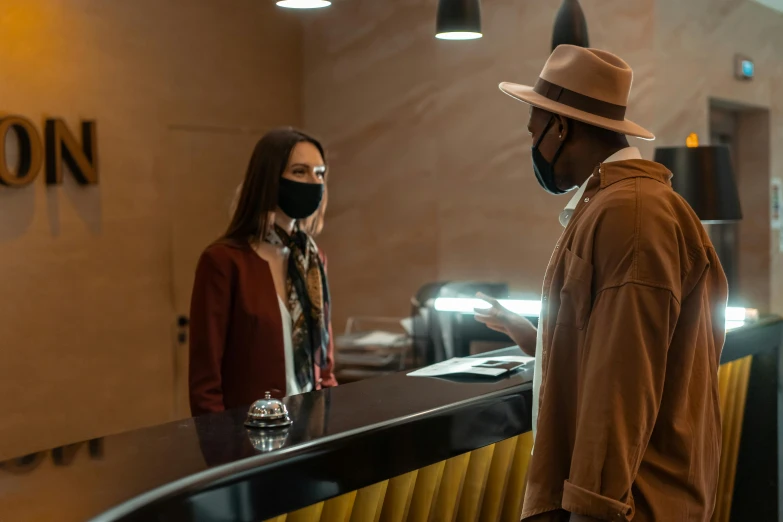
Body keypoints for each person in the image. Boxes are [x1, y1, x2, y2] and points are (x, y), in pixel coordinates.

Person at [476, 45, 728, 521]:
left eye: (534, 131)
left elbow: (623, 386)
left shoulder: (630, 214)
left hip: (633, 504)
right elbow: (606, 344)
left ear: (562, 127)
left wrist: (592, 508)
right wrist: (530, 335)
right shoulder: (626, 205)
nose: (532, 146)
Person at [189, 128, 337, 416]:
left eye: (319, 173)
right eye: (299, 171)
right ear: (269, 178)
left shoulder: (312, 259)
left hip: (313, 432)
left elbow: (325, 362)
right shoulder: (223, 261)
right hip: (251, 438)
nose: (313, 182)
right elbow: (205, 383)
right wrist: (222, 451)